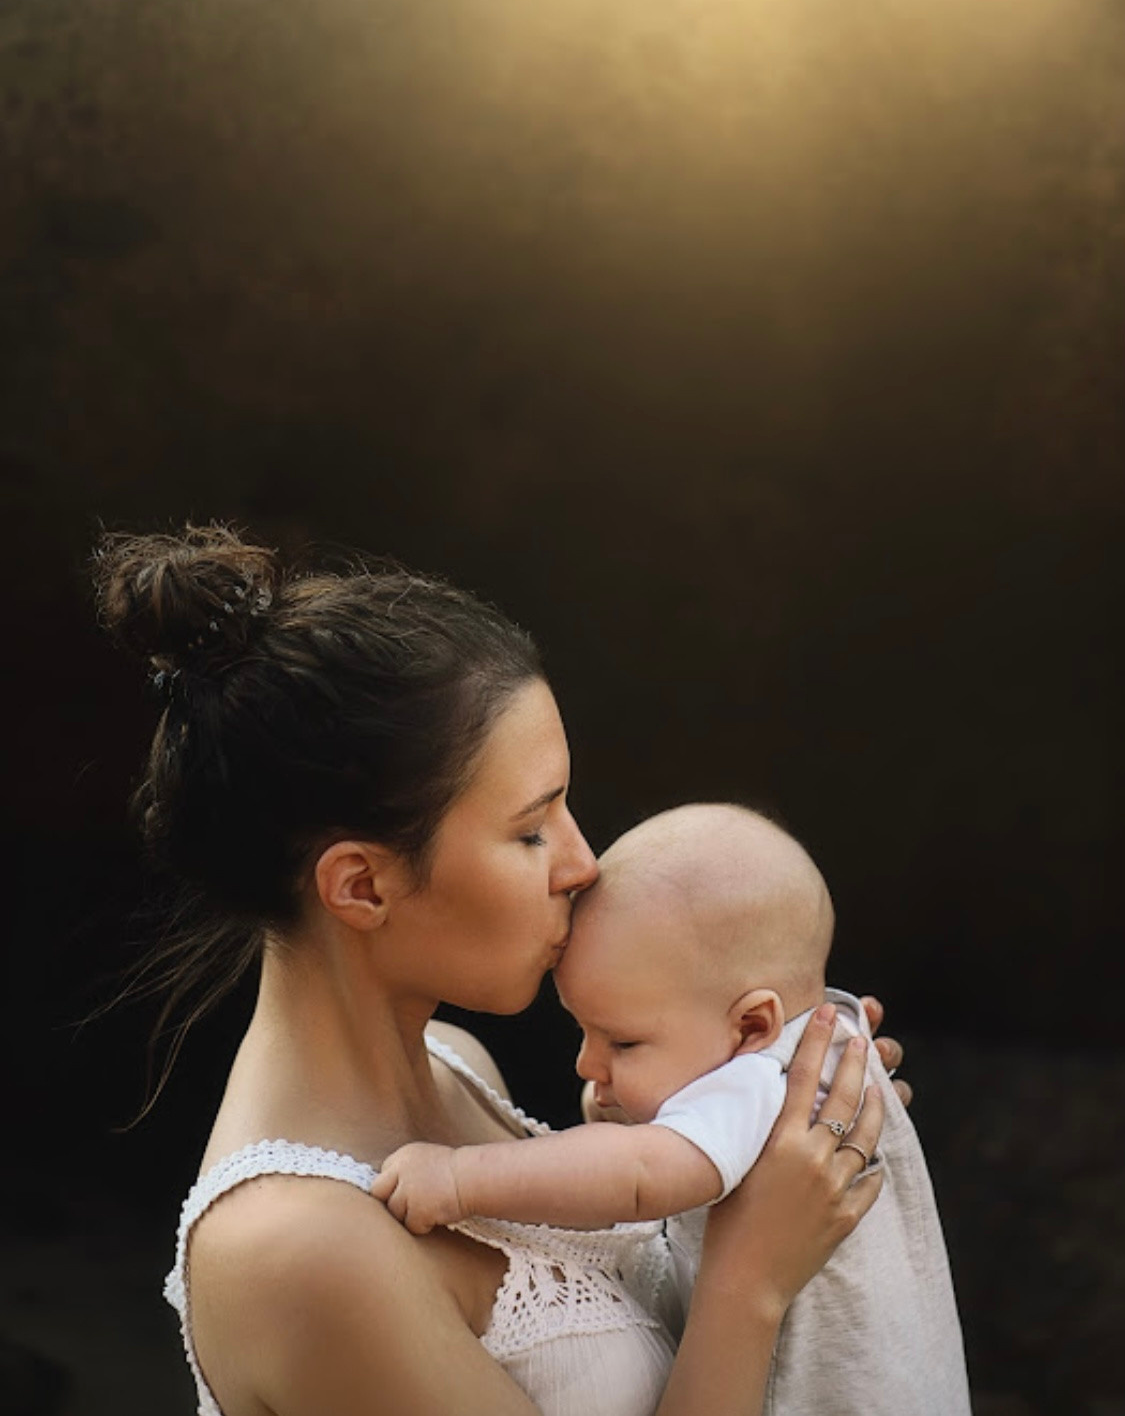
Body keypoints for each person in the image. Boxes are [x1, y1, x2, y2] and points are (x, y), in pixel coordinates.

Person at [94, 523, 902, 1416]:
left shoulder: (456, 1063)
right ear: (361, 884)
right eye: (530, 829)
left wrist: (772, 1121)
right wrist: (752, 1278)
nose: (582, 863)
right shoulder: (297, 1249)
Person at [375, 803, 972, 1416]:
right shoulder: (828, 1035)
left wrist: (459, 1178)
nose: (586, 1063)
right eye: (584, 1031)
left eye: (623, 1042)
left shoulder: (760, 1081)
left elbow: (638, 1177)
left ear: (752, 1025)